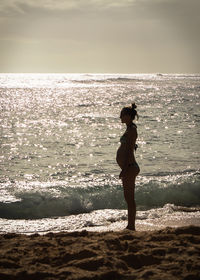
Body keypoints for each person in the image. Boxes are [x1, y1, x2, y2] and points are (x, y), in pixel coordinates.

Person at [116, 103, 140, 230]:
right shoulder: (129, 129)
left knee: (129, 198)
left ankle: (131, 226)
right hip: (128, 166)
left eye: (122, 115)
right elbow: (130, 146)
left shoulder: (132, 130)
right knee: (128, 197)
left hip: (130, 167)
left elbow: (130, 151)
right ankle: (130, 225)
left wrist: (124, 169)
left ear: (129, 116)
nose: (120, 117)